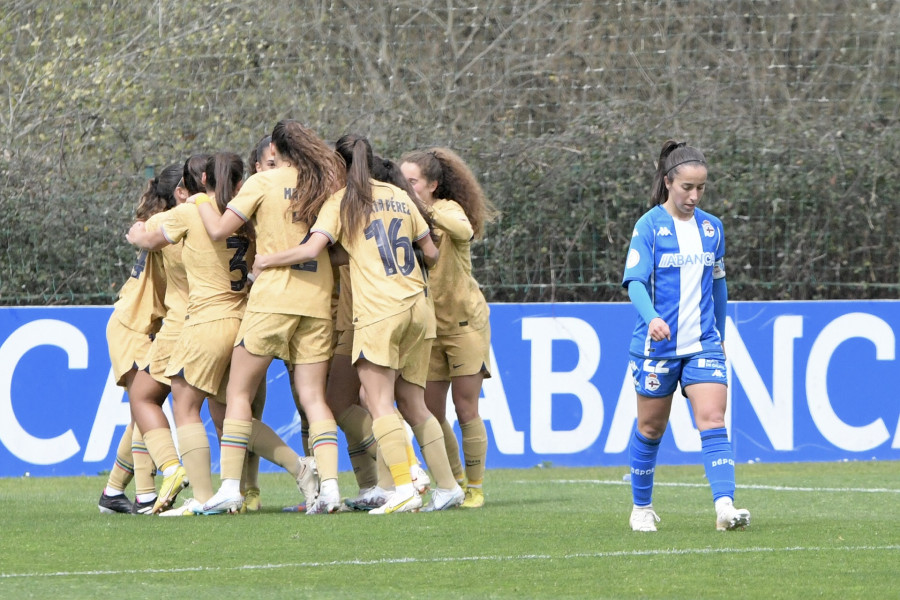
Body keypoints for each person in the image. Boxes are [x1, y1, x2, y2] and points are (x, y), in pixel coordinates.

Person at [253, 134, 464, 514]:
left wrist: (267, 261)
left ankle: (402, 486)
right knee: (414, 404)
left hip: (380, 311)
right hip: (419, 307)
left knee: (377, 401)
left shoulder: (343, 201)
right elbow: (431, 253)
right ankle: (448, 487)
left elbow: (311, 250)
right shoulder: (399, 195)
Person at [195, 120, 341, 515]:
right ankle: (330, 488)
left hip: (274, 298)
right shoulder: (326, 187)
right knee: (313, 398)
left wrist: (203, 199)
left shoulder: (263, 182)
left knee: (237, 394)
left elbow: (221, 229)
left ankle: (230, 486)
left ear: (274, 150)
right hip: (316, 300)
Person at [621, 140, 751, 532]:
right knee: (650, 428)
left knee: (713, 418)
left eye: (701, 188)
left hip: (704, 344)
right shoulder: (648, 226)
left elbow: (719, 285)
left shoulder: (713, 228)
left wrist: (722, 333)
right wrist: (653, 318)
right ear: (668, 183)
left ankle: (725, 507)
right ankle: (641, 508)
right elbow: (635, 283)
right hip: (656, 346)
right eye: (686, 188)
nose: (694, 196)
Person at [400, 148, 498, 509]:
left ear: (433, 185)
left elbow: (465, 229)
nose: (407, 188)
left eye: (413, 182)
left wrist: (426, 212)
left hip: (464, 323)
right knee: (431, 411)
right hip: (429, 327)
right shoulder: (404, 216)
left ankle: (476, 486)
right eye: (403, 181)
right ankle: (453, 479)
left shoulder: (447, 210)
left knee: (466, 407)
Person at [98, 165, 183, 514]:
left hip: (132, 323)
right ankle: (146, 494)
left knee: (143, 411)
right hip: (134, 327)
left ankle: (113, 492)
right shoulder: (168, 230)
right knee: (146, 404)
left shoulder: (160, 226)